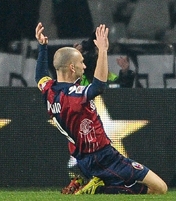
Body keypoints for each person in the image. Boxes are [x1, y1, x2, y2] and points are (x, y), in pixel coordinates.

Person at [34, 22, 167, 195]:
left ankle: (90, 182)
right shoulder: (74, 94)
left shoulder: (49, 90)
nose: (85, 66)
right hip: (104, 157)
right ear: (72, 67)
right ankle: (98, 188)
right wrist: (103, 51)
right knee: (160, 189)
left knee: (146, 189)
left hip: (83, 160)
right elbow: (98, 86)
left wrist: (43, 47)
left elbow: (40, 76)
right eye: (82, 62)